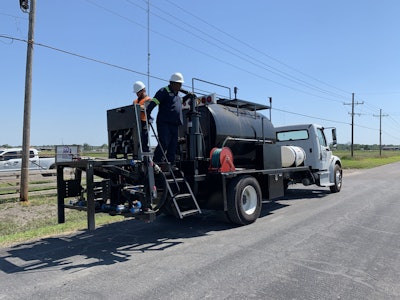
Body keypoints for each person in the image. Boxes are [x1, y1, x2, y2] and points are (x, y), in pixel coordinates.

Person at [146, 72, 191, 165]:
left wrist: (189, 95)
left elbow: (181, 101)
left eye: (181, 84)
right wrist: (148, 113)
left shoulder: (177, 95)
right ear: (172, 83)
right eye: (179, 84)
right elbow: (153, 102)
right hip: (164, 123)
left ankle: (170, 164)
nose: (180, 86)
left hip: (174, 125)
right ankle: (157, 162)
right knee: (164, 143)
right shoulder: (164, 91)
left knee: (173, 145)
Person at [133, 81, 151, 152]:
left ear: (143, 90)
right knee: (136, 141)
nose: (137, 94)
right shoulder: (135, 101)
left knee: (144, 140)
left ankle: (146, 157)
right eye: (136, 92)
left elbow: (146, 108)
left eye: (138, 92)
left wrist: (138, 107)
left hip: (144, 122)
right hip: (136, 123)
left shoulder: (149, 99)